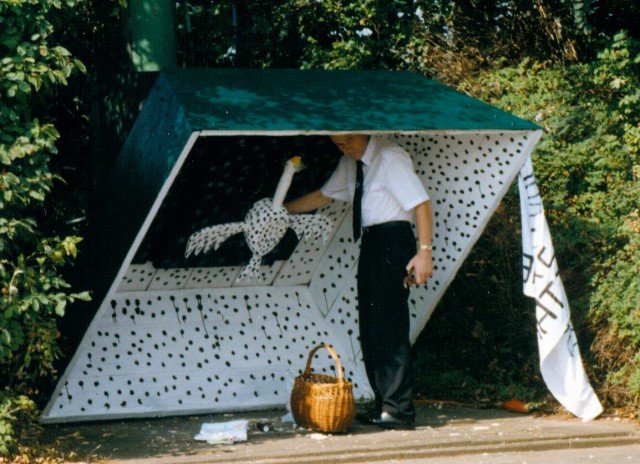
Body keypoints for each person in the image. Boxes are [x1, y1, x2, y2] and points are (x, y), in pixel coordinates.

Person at [285, 134, 433, 429]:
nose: (347, 148)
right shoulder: (349, 163)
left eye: (350, 141)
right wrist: (282, 209)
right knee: (371, 325)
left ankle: (399, 409)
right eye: (339, 144)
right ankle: (384, 404)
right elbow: (323, 195)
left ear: (364, 132)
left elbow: (421, 203)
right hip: (372, 241)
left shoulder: (389, 157)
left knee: (390, 324)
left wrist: (424, 252)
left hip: (394, 239)